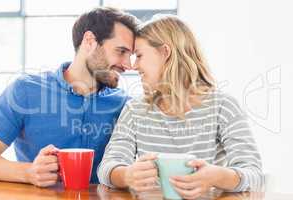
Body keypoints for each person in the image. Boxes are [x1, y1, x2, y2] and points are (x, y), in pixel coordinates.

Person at [97, 15, 264, 199]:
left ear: (165, 52)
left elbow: (254, 174)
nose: (134, 66)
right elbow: (107, 168)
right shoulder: (135, 110)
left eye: (140, 56)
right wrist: (127, 175)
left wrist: (218, 176)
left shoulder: (223, 106)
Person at [0, 7, 139, 187]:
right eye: (121, 51)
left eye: (131, 55)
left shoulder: (125, 105)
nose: (128, 65)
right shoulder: (25, 90)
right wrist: (28, 172)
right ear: (89, 41)